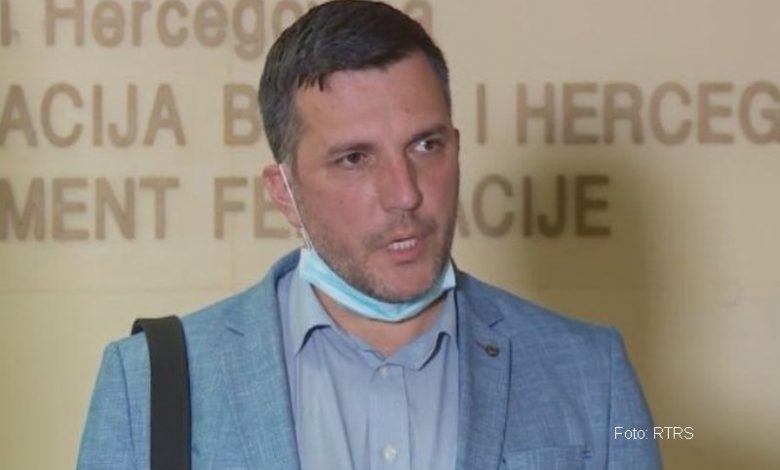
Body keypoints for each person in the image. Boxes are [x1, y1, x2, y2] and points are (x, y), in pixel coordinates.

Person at [77, 1, 661, 469]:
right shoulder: (146, 383)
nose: (404, 193)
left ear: (456, 148)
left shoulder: (592, 375)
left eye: (426, 146)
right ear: (284, 191)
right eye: (354, 158)